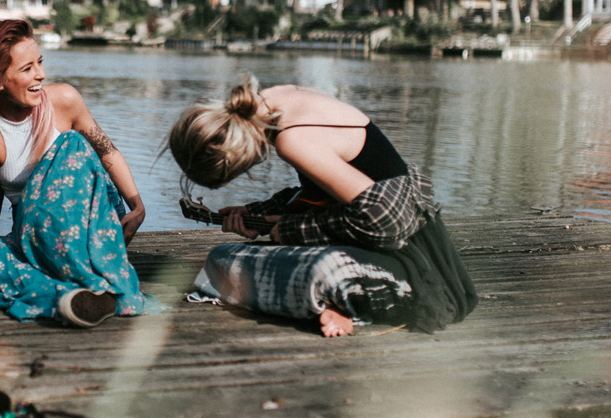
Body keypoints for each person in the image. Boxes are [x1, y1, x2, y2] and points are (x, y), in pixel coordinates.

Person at [166, 77, 476, 337]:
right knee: (221, 258)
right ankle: (331, 299)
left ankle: (351, 304)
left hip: (415, 261)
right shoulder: (277, 98)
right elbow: (326, 193)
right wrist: (259, 213)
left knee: (312, 270)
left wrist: (287, 229)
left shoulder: (291, 140)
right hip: (383, 242)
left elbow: (387, 217)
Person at [0, 18, 154, 327]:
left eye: (40, 62)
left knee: (72, 145)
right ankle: (74, 298)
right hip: (37, 236)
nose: (41, 74)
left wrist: (137, 206)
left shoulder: (64, 100)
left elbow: (107, 152)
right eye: (27, 69)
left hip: (92, 225)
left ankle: (90, 280)